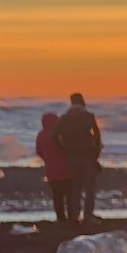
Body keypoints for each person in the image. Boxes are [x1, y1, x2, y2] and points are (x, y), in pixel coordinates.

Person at [53, 91, 104, 225]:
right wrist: (96, 153)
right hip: (87, 155)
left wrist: (64, 149)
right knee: (89, 188)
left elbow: (54, 136)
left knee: (75, 187)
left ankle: (75, 216)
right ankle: (88, 216)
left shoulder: (65, 118)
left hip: (72, 157)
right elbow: (97, 136)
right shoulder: (88, 117)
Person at [35, 110, 71, 223]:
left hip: (51, 168)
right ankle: (71, 216)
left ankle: (60, 217)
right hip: (66, 168)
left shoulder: (41, 135)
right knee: (69, 193)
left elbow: (39, 151)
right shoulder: (61, 134)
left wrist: (47, 158)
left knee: (57, 195)